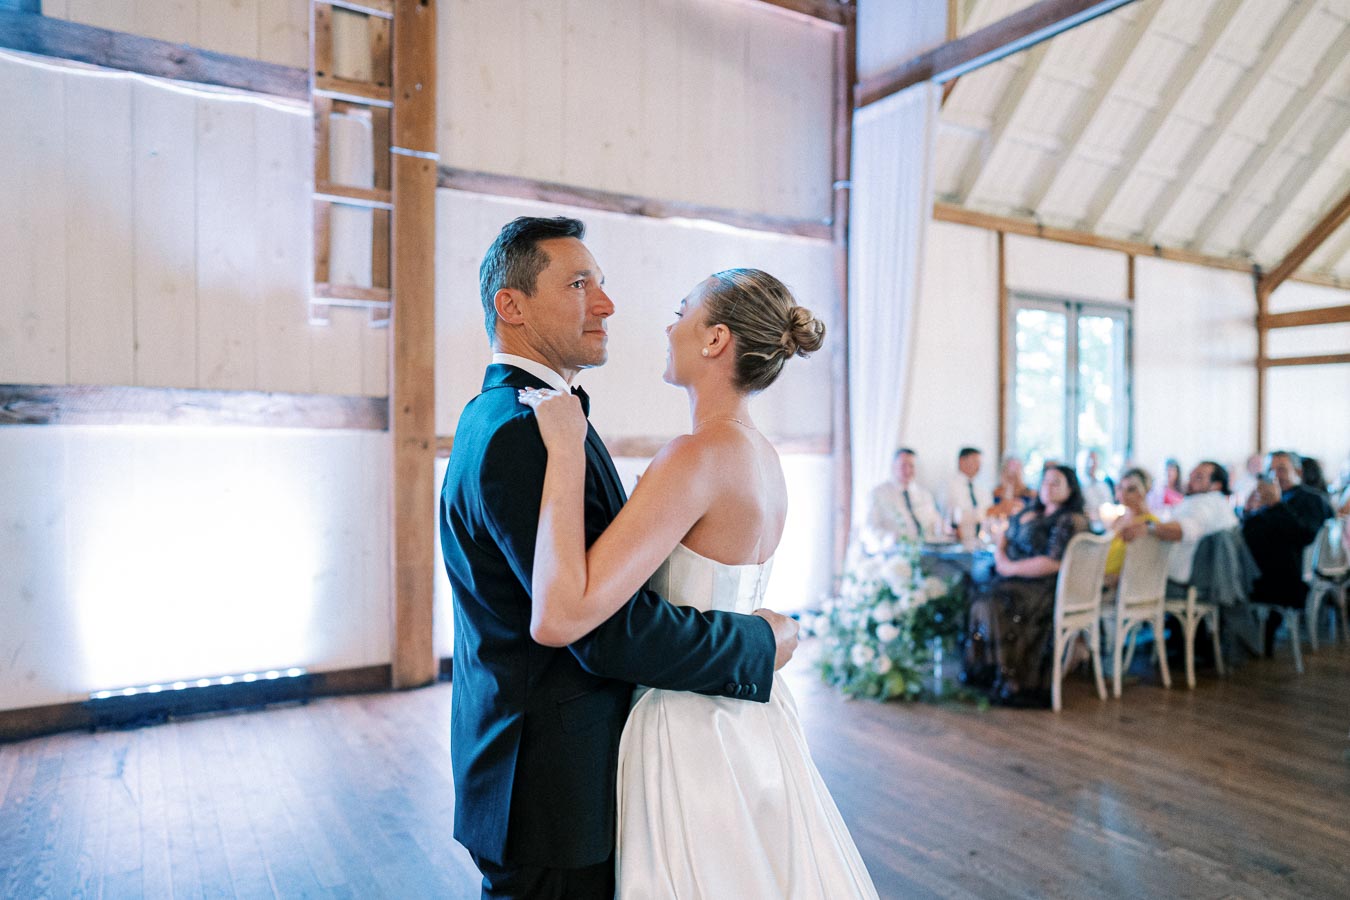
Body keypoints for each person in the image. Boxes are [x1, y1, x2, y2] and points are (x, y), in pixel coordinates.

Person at [439, 218, 800, 899]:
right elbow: (598, 628)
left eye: (601, 284)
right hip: (551, 787)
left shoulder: (527, 415)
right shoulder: (526, 431)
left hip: (564, 771)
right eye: (580, 284)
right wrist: (759, 639)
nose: (605, 304)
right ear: (509, 306)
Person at [520, 268, 878, 898]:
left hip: (685, 724)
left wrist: (568, 452)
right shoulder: (762, 457)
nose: (668, 325)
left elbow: (560, 614)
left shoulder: (694, 456)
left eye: (681, 311)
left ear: (714, 339)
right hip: (756, 717)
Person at [961, 465, 1091, 707]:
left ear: (1070, 489)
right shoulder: (1028, 511)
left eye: (1056, 483)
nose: (1048, 488)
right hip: (1011, 577)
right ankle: (989, 671)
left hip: (1042, 586)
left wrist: (1009, 568)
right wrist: (1001, 556)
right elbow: (1004, 537)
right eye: (1045, 482)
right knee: (975, 592)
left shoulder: (1070, 519)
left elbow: (1054, 562)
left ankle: (1013, 677)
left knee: (996, 603)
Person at [1117, 460, 1237, 597]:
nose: (1190, 480)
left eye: (1198, 477)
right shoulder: (1212, 503)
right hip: (1178, 578)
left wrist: (1148, 526)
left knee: (1113, 578)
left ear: (1216, 485)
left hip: (1178, 583)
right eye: (1191, 475)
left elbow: (1187, 529)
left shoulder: (1208, 503)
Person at [865, 447, 943, 544]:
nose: (908, 470)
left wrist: (944, 528)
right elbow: (870, 529)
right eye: (903, 465)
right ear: (893, 467)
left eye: (911, 466)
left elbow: (936, 522)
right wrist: (889, 539)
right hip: (894, 552)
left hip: (928, 550)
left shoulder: (925, 494)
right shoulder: (878, 494)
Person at [1104, 467, 1156, 585]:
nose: (1124, 494)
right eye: (1121, 488)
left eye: (1131, 489)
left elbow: (1144, 565)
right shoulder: (1118, 519)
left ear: (1145, 490)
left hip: (1121, 583)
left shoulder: (1149, 524)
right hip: (1100, 573)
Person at [945, 446, 992, 536]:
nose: (979, 466)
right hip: (958, 541)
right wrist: (987, 512)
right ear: (961, 461)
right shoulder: (949, 487)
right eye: (975, 461)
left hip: (981, 542)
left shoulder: (982, 487)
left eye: (979, 462)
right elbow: (956, 516)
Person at [1080, 449, 1116, 527]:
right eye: (1089, 460)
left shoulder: (1104, 485)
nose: (1091, 464)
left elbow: (1110, 505)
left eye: (1094, 460)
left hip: (1105, 525)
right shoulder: (1079, 487)